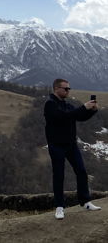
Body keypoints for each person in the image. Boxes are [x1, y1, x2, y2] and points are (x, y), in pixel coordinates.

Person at [44, 78, 101, 220]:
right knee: (59, 175)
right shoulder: (50, 105)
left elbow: (79, 117)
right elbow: (62, 117)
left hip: (71, 145)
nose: (68, 91)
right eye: (66, 89)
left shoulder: (67, 105)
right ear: (56, 88)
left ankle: (85, 201)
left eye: (69, 88)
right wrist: (83, 108)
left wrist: (91, 111)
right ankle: (59, 207)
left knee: (81, 171)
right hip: (56, 146)